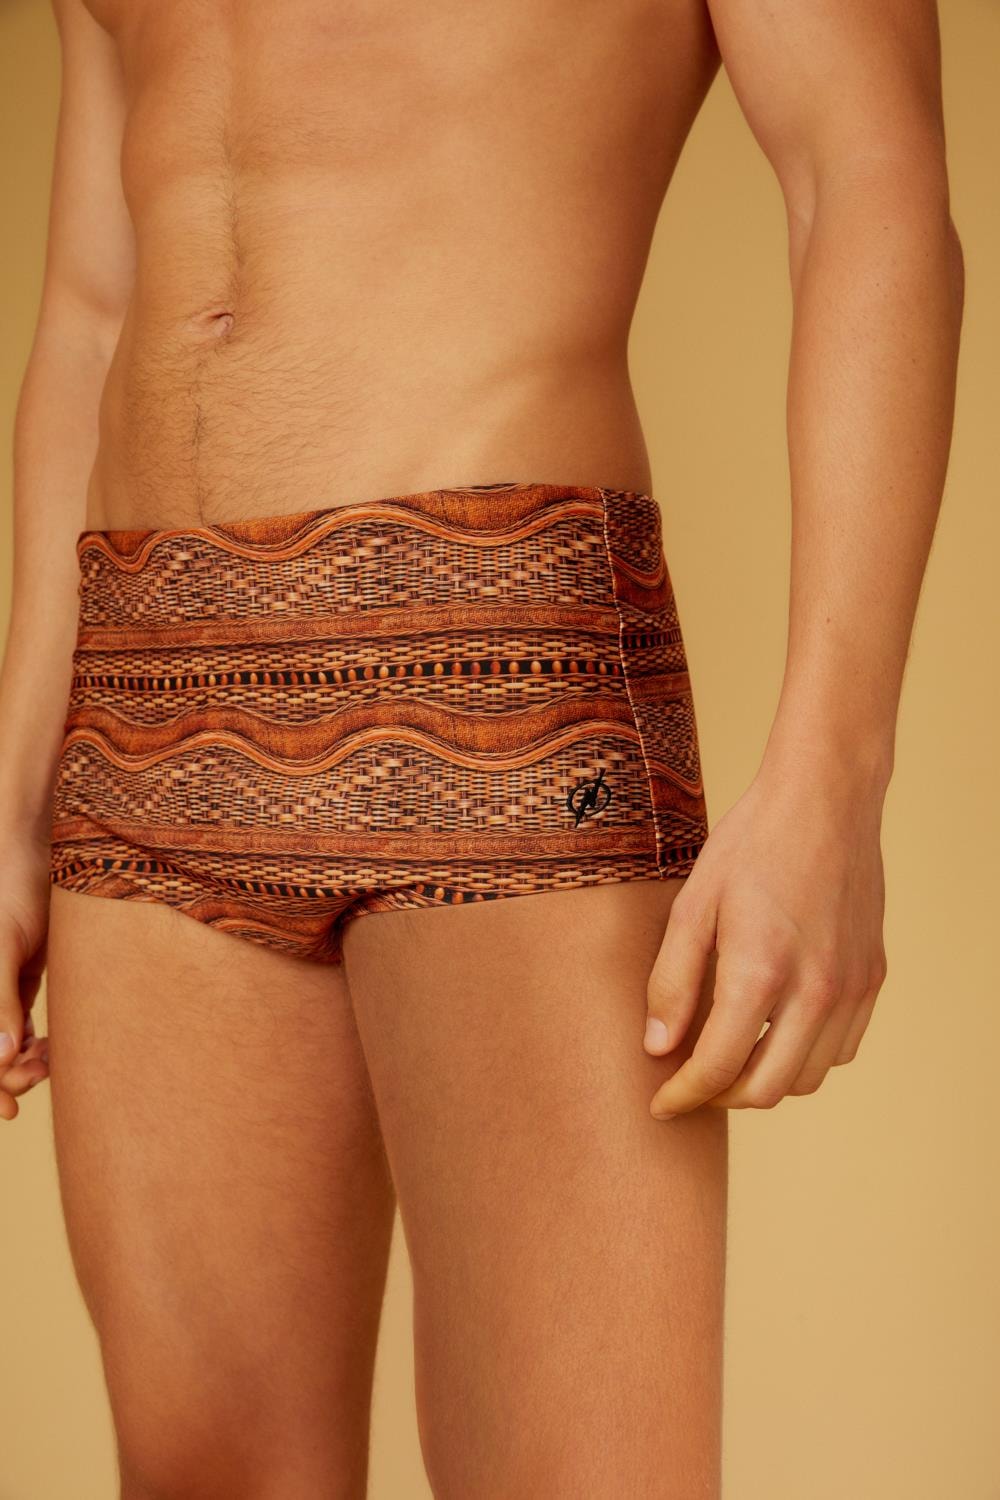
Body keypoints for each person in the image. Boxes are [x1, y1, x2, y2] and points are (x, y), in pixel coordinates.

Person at [0, 0, 963, 1495]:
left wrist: (835, 781)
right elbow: (89, 301)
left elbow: (867, 179)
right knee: (202, 1476)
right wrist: (14, 801)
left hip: (500, 649)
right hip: (144, 687)